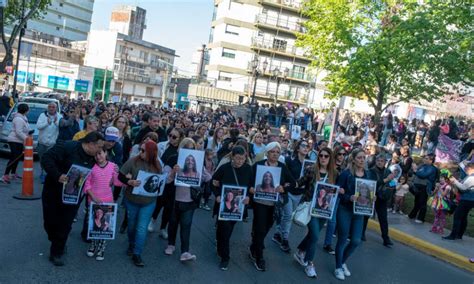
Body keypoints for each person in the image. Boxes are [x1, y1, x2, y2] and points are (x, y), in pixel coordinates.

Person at [41, 132, 105, 266]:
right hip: (53, 190)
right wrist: (58, 175)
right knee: (50, 222)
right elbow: (46, 158)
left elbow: (104, 169)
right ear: (90, 144)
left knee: (65, 223)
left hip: (73, 195)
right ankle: (55, 239)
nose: (100, 151)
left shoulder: (95, 157)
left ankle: (57, 251)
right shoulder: (68, 147)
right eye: (99, 147)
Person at [294, 147, 340, 278]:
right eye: (321, 156)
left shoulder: (335, 174)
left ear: (330, 158)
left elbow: (337, 189)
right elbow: (300, 182)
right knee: (314, 236)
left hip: (325, 210)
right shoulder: (312, 170)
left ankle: (300, 251)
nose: (323, 158)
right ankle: (309, 264)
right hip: (310, 208)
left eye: (326, 156)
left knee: (313, 235)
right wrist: (289, 184)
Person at [249, 142, 295, 271]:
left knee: (267, 226)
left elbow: (292, 183)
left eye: (277, 152)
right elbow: (248, 180)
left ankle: (254, 245)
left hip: (274, 205)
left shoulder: (282, 167)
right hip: (259, 203)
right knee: (260, 228)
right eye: (272, 152)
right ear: (267, 153)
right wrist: (251, 189)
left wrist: (283, 188)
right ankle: (259, 257)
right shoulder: (258, 166)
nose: (275, 154)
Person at [119, 140, 162, 267]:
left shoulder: (157, 165)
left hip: (148, 202)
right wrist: (129, 182)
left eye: (143, 150)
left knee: (142, 228)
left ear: (151, 152)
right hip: (132, 200)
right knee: (131, 226)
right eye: (140, 149)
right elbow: (120, 176)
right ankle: (132, 244)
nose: (140, 152)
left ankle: (137, 253)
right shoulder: (133, 161)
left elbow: (160, 181)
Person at [334, 148, 375, 280]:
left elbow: (370, 191)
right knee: (342, 239)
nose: (362, 160)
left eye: (364, 157)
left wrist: (372, 198)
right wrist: (348, 197)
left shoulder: (368, 175)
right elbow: (338, 192)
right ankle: (338, 267)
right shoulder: (346, 174)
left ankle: (342, 261)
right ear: (353, 159)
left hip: (359, 212)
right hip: (345, 209)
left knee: (356, 240)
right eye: (359, 157)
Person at [164, 138, 207, 262]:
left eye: (192, 148)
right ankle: (171, 245)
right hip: (174, 198)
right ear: (181, 148)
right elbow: (166, 180)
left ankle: (185, 251)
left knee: (186, 225)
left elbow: (207, 178)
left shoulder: (198, 162)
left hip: (190, 199)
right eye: (186, 147)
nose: (189, 151)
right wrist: (173, 171)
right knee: (172, 223)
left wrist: (202, 172)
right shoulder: (173, 159)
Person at [212, 145, 252, 270]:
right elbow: (213, 182)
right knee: (224, 230)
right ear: (232, 157)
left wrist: (249, 197)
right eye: (238, 158)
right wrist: (217, 195)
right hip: (223, 205)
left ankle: (220, 245)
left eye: (243, 158)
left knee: (227, 230)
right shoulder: (225, 168)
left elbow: (252, 187)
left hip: (238, 208)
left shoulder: (249, 169)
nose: (240, 161)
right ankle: (225, 258)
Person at [83, 147, 123, 261]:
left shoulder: (113, 166)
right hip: (93, 201)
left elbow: (117, 183)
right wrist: (93, 197)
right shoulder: (92, 167)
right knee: (94, 226)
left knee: (105, 227)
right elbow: (87, 185)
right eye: (95, 155)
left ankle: (101, 248)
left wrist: (118, 173)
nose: (98, 157)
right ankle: (93, 245)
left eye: (100, 153)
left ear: (106, 153)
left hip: (108, 201)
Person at [273, 140, 308, 253]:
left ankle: (278, 233)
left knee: (287, 216)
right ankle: (285, 240)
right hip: (288, 192)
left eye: (308, 146)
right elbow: (282, 173)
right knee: (288, 215)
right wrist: (283, 185)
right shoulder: (289, 160)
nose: (306, 148)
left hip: (300, 193)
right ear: (298, 148)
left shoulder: (310, 163)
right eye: (303, 146)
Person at [362, 154, 395, 247]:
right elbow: (373, 183)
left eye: (382, 161)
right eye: (378, 161)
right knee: (366, 216)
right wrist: (386, 180)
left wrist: (392, 186)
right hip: (372, 196)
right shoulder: (371, 171)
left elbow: (392, 183)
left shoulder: (388, 171)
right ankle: (361, 233)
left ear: (385, 162)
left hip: (382, 198)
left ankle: (386, 238)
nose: (379, 162)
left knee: (383, 218)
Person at [443, 162, 474, 240]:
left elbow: (463, 188)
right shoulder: (470, 176)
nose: (466, 169)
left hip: (467, 199)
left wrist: (455, 181)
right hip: (469, 200)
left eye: (467, 168)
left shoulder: (471, 177)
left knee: (457, 216)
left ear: (471, 168)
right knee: (463, 217)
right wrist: (457, 182)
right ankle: (459, 235)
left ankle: (453, 235)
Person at [1, 103, 30, 184]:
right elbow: (18, 132)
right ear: (26, 110)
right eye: (28, 109)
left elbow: (25, 129)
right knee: (14, 158)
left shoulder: (23, 117)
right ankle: (5, 176)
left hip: (19, 141)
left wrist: (28, 132)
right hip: (14, 140)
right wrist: (26, 138)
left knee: (17, 158)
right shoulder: (19, 119)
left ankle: (13, 174)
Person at [408, 154, 438, 224]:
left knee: (422, 203)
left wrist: (415, 170)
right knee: (417, 202)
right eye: (425, 158)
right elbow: (413, 172)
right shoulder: (422, 165)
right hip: (418, 186)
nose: (425, 159)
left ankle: (421, 218)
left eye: (427, 159)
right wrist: (414, 169)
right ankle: (412, 215)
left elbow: (423, 175)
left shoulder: (432, 168)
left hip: (425, 187)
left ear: (431, 160)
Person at [36, 102, 62, 183]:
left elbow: (62, 128)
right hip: (42, 142)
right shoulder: (42, 115)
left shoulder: (60, 116)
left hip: (52, 143)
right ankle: (43, 173)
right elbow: (38, 126)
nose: (51, 108)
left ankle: (49, 174)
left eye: (53, 107)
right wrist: (47, 123)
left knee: (50, 160)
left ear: (56, 108)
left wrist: (55, 122)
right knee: (42, 159)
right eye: (50, 107)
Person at [430, 170, 452, 234]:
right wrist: (435, 189)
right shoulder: (439, 185)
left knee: (442, 217)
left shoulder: (448, 187)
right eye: (440, 178)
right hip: (437, 201)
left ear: (446, 179)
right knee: (436, 215)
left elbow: (443, 194)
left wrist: (439, 187)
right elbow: (433, 193)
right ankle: (434, 228)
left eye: (442, 178)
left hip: (444, 203)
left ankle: (441, 229)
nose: (440, 179)